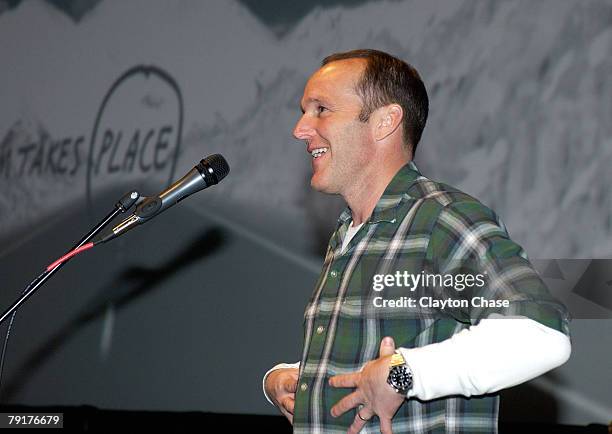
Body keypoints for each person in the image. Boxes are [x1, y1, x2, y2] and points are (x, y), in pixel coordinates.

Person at [263, 49, 571, 434]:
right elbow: (376, 355)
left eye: (321, 109)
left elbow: (540, 334)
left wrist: (404, 375)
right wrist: (289, 378)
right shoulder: (350, 232)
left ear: (385, 122)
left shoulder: (443, 219)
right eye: (303, 110)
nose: (300, 129)